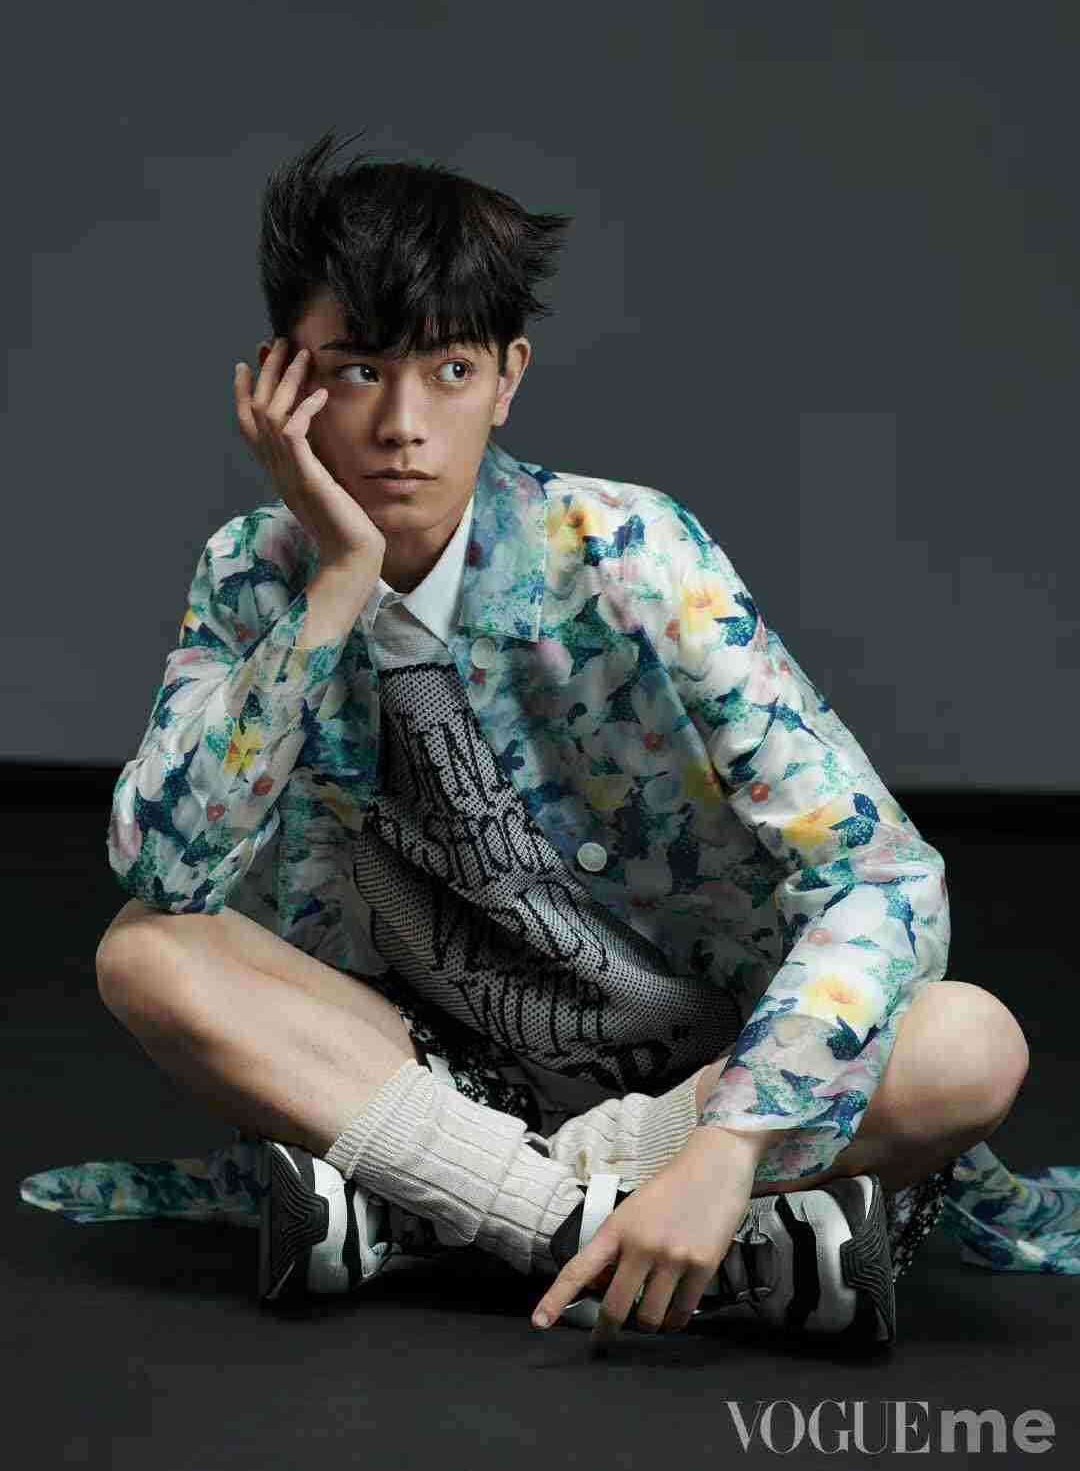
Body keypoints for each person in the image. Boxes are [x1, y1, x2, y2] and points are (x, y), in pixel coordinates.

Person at [76, 129, 1049, 1351]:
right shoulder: (254, 572)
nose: (402, 425)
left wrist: (729, 1142)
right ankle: (616, 1232)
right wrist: (335, 586)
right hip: (427, 1067)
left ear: (509, 379)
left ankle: (435, 1210)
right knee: (146, 953)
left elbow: (883, 875)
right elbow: (168, 870)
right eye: (359, 370)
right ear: (284, 380)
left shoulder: (634, 554)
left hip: (700, 1062)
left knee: (968, 1043)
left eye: (450, 370)